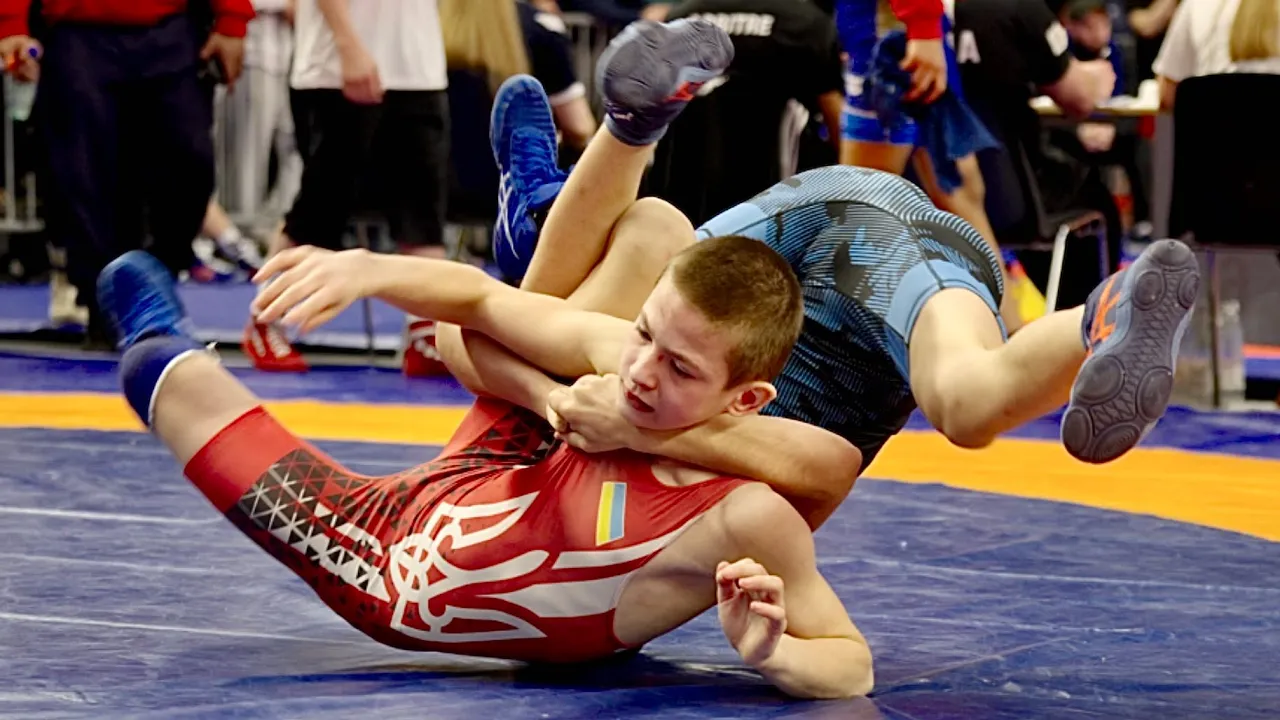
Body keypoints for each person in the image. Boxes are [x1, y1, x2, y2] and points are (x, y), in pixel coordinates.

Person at [96, 19, 874, 699]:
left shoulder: (750, 514)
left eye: (680, 371)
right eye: (648, 340)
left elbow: (850, 665)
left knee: (158, 374)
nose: (642, 371)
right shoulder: (621, 361)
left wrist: (775, 653)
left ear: (746, 401)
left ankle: (535, 223)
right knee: (654, 229)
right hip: (507, 457)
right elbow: (467, 321)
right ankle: (622, 136)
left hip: (393, 563)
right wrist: (367, 268)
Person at [467, 20, 1197, 473]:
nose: (642, 380)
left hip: (820, 241)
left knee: (614, 262)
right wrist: (592, 412)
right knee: (968, 405)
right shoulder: (660, 385)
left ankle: (586, 170)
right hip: (860, 235)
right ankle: (1099, 313)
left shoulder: (631, 362)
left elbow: (457, 334)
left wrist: (574, 406)